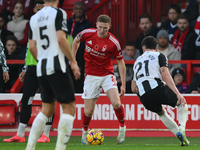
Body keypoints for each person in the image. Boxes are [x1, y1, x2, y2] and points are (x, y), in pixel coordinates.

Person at [25, 0, 80, 149]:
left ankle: (30, 147)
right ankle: (60, 148)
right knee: (68, 108)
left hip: (41, 67)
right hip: (56, 65)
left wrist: (42, 60)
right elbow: (61, 39)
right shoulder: (59, 13)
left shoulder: (34, 17)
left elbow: (31, 46)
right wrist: (73, 62)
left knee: (47, 109)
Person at [3, 0, 53, 143]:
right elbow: (29, 49)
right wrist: (25, 67)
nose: (40, 13)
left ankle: (46, 135)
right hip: (32, 67)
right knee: (26, 99)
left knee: (47, 100)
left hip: (47, 67)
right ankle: (20, 134)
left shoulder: (53, 27)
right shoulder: (32, 24)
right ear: (35, 10)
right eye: (38, 10)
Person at [72, 14, 126, 144]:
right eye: (100, 27)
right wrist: (73, 60)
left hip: (107, 75)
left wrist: (123, 84)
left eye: (105, 28)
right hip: (90, 76)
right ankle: (84, 132)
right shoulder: (87, 33)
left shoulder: (114, 43)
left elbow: (121, 62)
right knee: (89, 111)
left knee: (117, 103)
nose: (102, 31)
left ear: (110, 27)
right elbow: (76, 40)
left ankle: (122, 128)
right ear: (96, 25)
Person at [132, 36, 190, 146]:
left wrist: (145, 96)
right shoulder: (159, 55)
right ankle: (181, 129)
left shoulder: (137, 61)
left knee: (162, 113)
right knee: (182, 102)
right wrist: (178, 94)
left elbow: (134, 88)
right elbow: (165, 75)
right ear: (156, 47)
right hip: (157, 87)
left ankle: (183, 140)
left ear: (143, 48)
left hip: (144, 96)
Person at [67, 1, 91, 93]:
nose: (78, 11)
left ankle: (78, 95)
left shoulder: (86, 24)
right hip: (68, 53)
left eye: (80, 9)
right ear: (73, 10)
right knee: (68, 76)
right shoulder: (68, 22)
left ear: (83, 11)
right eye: (76, 8)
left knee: (79, 76)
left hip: (80, 54)